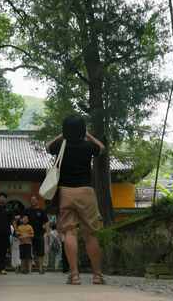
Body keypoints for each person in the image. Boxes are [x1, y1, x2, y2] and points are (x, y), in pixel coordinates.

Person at [46, 115, 106, 285]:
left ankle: (74, 275)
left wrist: (62, 135)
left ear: (65, 130)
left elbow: (47, 146)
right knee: (91, 234)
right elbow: (102, 148)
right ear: (82, 129)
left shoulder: (60, 145)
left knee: (69, 232)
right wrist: (89, 135)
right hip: (86, 192)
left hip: (65, 192)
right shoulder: (88, 146)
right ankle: (97, 275)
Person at [24, 196, 49, 274]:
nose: (33, 201)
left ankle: (41, 269)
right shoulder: (27, 210)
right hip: (29, 235)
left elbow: (46, 222)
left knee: (40, 252)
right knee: (29, 252)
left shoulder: (41, 211)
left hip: (39, 234)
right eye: (31, 200)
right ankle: (29, 269)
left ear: (37, 201)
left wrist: (47, 233)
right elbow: (23, 220)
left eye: (34, 200)